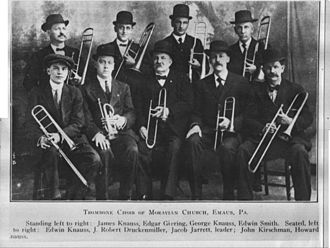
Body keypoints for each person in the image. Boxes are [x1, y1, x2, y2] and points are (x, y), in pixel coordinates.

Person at [237, 49, 313, 201]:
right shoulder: (255, 90)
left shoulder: (296, 89)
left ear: (282, 68)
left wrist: (291, 122)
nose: (272, 71)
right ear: (263, 69)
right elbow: (247, 118)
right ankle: (244, 200)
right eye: (268, 68)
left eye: (276, 67)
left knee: (300, 152)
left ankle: (304, 202)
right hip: (263, 140)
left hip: (289, 141)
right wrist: (262, 127)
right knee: (242, 151)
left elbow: (307, 118)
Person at [26, 54, 101, 200]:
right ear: (48, 71)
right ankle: (54, 197)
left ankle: (74, 195)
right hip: (48, 142)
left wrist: (60, 135)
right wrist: (40, 138)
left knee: (94, 159)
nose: (60, 72)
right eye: (55, 68)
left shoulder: (74, 92)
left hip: (72, 139)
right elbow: (28, 123)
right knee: (52, 153)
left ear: (68, 73)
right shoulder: (36, 92)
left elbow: (79, 123)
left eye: (64, 69)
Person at [186, 40, 250, 200]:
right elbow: (195, 111)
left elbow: (248, 112)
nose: (217, 60)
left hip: (231, 133)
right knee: (193, 142)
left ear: (228, 59)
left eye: (221, 56)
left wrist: (232, 123)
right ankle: (196, 194)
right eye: (213, 57)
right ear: (209, 60)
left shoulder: (240, 82)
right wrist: (195, 125)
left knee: (227, 149)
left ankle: (228, 193)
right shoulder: (201, 84)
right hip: (208, 130)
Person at [135, 40, 193, 200]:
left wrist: (169, 111)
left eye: (163, 58)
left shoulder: (181, 79)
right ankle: (144, 193)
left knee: (174, 149)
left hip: (172, 129)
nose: (159, 61)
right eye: (156, 58)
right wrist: (141, 126)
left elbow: (188, 104)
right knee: (142, 150)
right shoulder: (144, 80)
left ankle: (167, 194)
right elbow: (138, 106)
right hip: (150, 129)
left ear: (170, 61)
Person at [81, 44, 139, 200]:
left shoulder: (123, 87)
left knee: (132, 149)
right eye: (102, 61)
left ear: (114, 65)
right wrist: (95, 134)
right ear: (96, 64)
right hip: (100, 134)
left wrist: (124, 119)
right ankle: (103, 197)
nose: (106, 66)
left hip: (120, 133)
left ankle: (126, 195)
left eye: (109, 62)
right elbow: (85, 117)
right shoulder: (86, 89)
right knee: (104, 152)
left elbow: (131, 111)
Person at [23, 14, 80, 91]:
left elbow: (90, 78)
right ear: (48, 32)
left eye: (63, 28)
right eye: (57, 29)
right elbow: (29, 83)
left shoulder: (76, 53)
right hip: (47, 99)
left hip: (72, 99)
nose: (62, 32)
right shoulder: (38, 56)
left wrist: (80, 79)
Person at [162, 4, 204, 82]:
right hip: (172, 86)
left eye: (185, 23)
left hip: (192, 86)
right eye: (178, 22)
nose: (181, 26)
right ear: (172, 23)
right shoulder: (164, 43)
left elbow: (206, 67)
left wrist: (199, 65)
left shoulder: (196, 42)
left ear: (188, 24)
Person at [228, 10, 264, 81]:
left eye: (246, 27)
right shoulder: (230, 50)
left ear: (252, 29)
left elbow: (270, 69)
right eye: (239, 28)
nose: (243, 31)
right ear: (235, 30)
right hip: (236, 90)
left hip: (256, 89)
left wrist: (257, 69)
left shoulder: (261, 46)